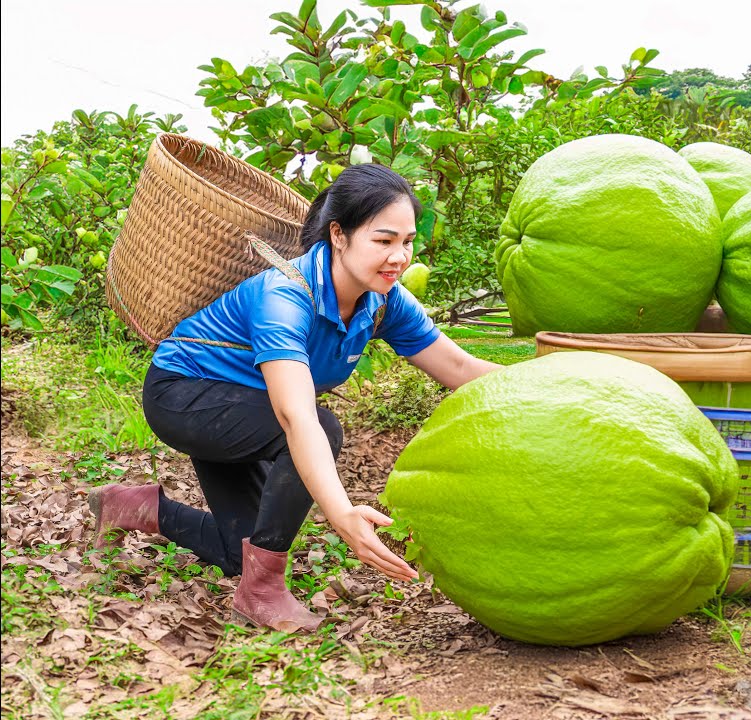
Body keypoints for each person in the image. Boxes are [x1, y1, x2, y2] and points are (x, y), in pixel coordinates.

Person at [86, 164, 501, 632]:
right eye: (383, 241)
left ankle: (130, 506)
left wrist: (559, 375)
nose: (399, 256)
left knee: (237, 550)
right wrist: (341, 513)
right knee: (322, 427)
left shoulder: (384, 299)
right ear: (338, 235)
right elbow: (295, 415)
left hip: (246, 406)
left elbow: (462, 368)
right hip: (185, 396)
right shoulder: (285, 296)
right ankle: (260, 594)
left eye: (406, 242)